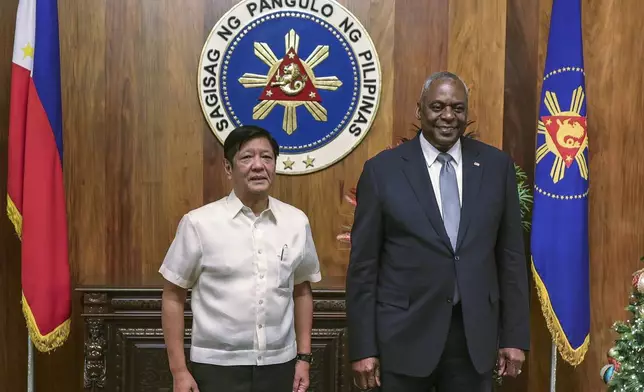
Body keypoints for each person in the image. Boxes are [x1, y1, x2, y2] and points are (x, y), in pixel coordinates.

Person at [345, 71, 530, 392]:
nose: (448, 116)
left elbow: (511, 256)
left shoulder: (496, 167)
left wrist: (513, 336)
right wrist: (363, 347)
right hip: (403, 337)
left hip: (474, 339)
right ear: (419, 111)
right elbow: (363, 267)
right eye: (438, 107)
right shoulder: (383, 171)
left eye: (458, 108)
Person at [160, 125, 322, 392]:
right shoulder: (199, 224)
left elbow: (302, 291)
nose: (258, 165)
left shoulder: (296, 222)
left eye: (267, 157)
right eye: (247, 157)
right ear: (228, 168)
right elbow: (172, 296)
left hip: (280, 366)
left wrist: (303, 359)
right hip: (216, 369)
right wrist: (178, 370)